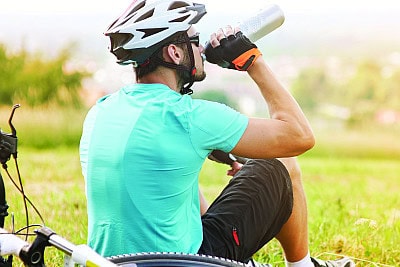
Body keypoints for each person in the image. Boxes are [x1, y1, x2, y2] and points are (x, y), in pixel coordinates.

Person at [79, 1, 355, 267]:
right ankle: (302, 266)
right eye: (194, 40)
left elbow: (153, 175)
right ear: (175, 53)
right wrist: (251, 60)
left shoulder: (101, 112)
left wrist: (207, 147)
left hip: (110, 262)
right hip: (182, 263)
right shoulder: (190, 116)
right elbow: (299, 136)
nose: (200, 48)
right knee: (281, 162)